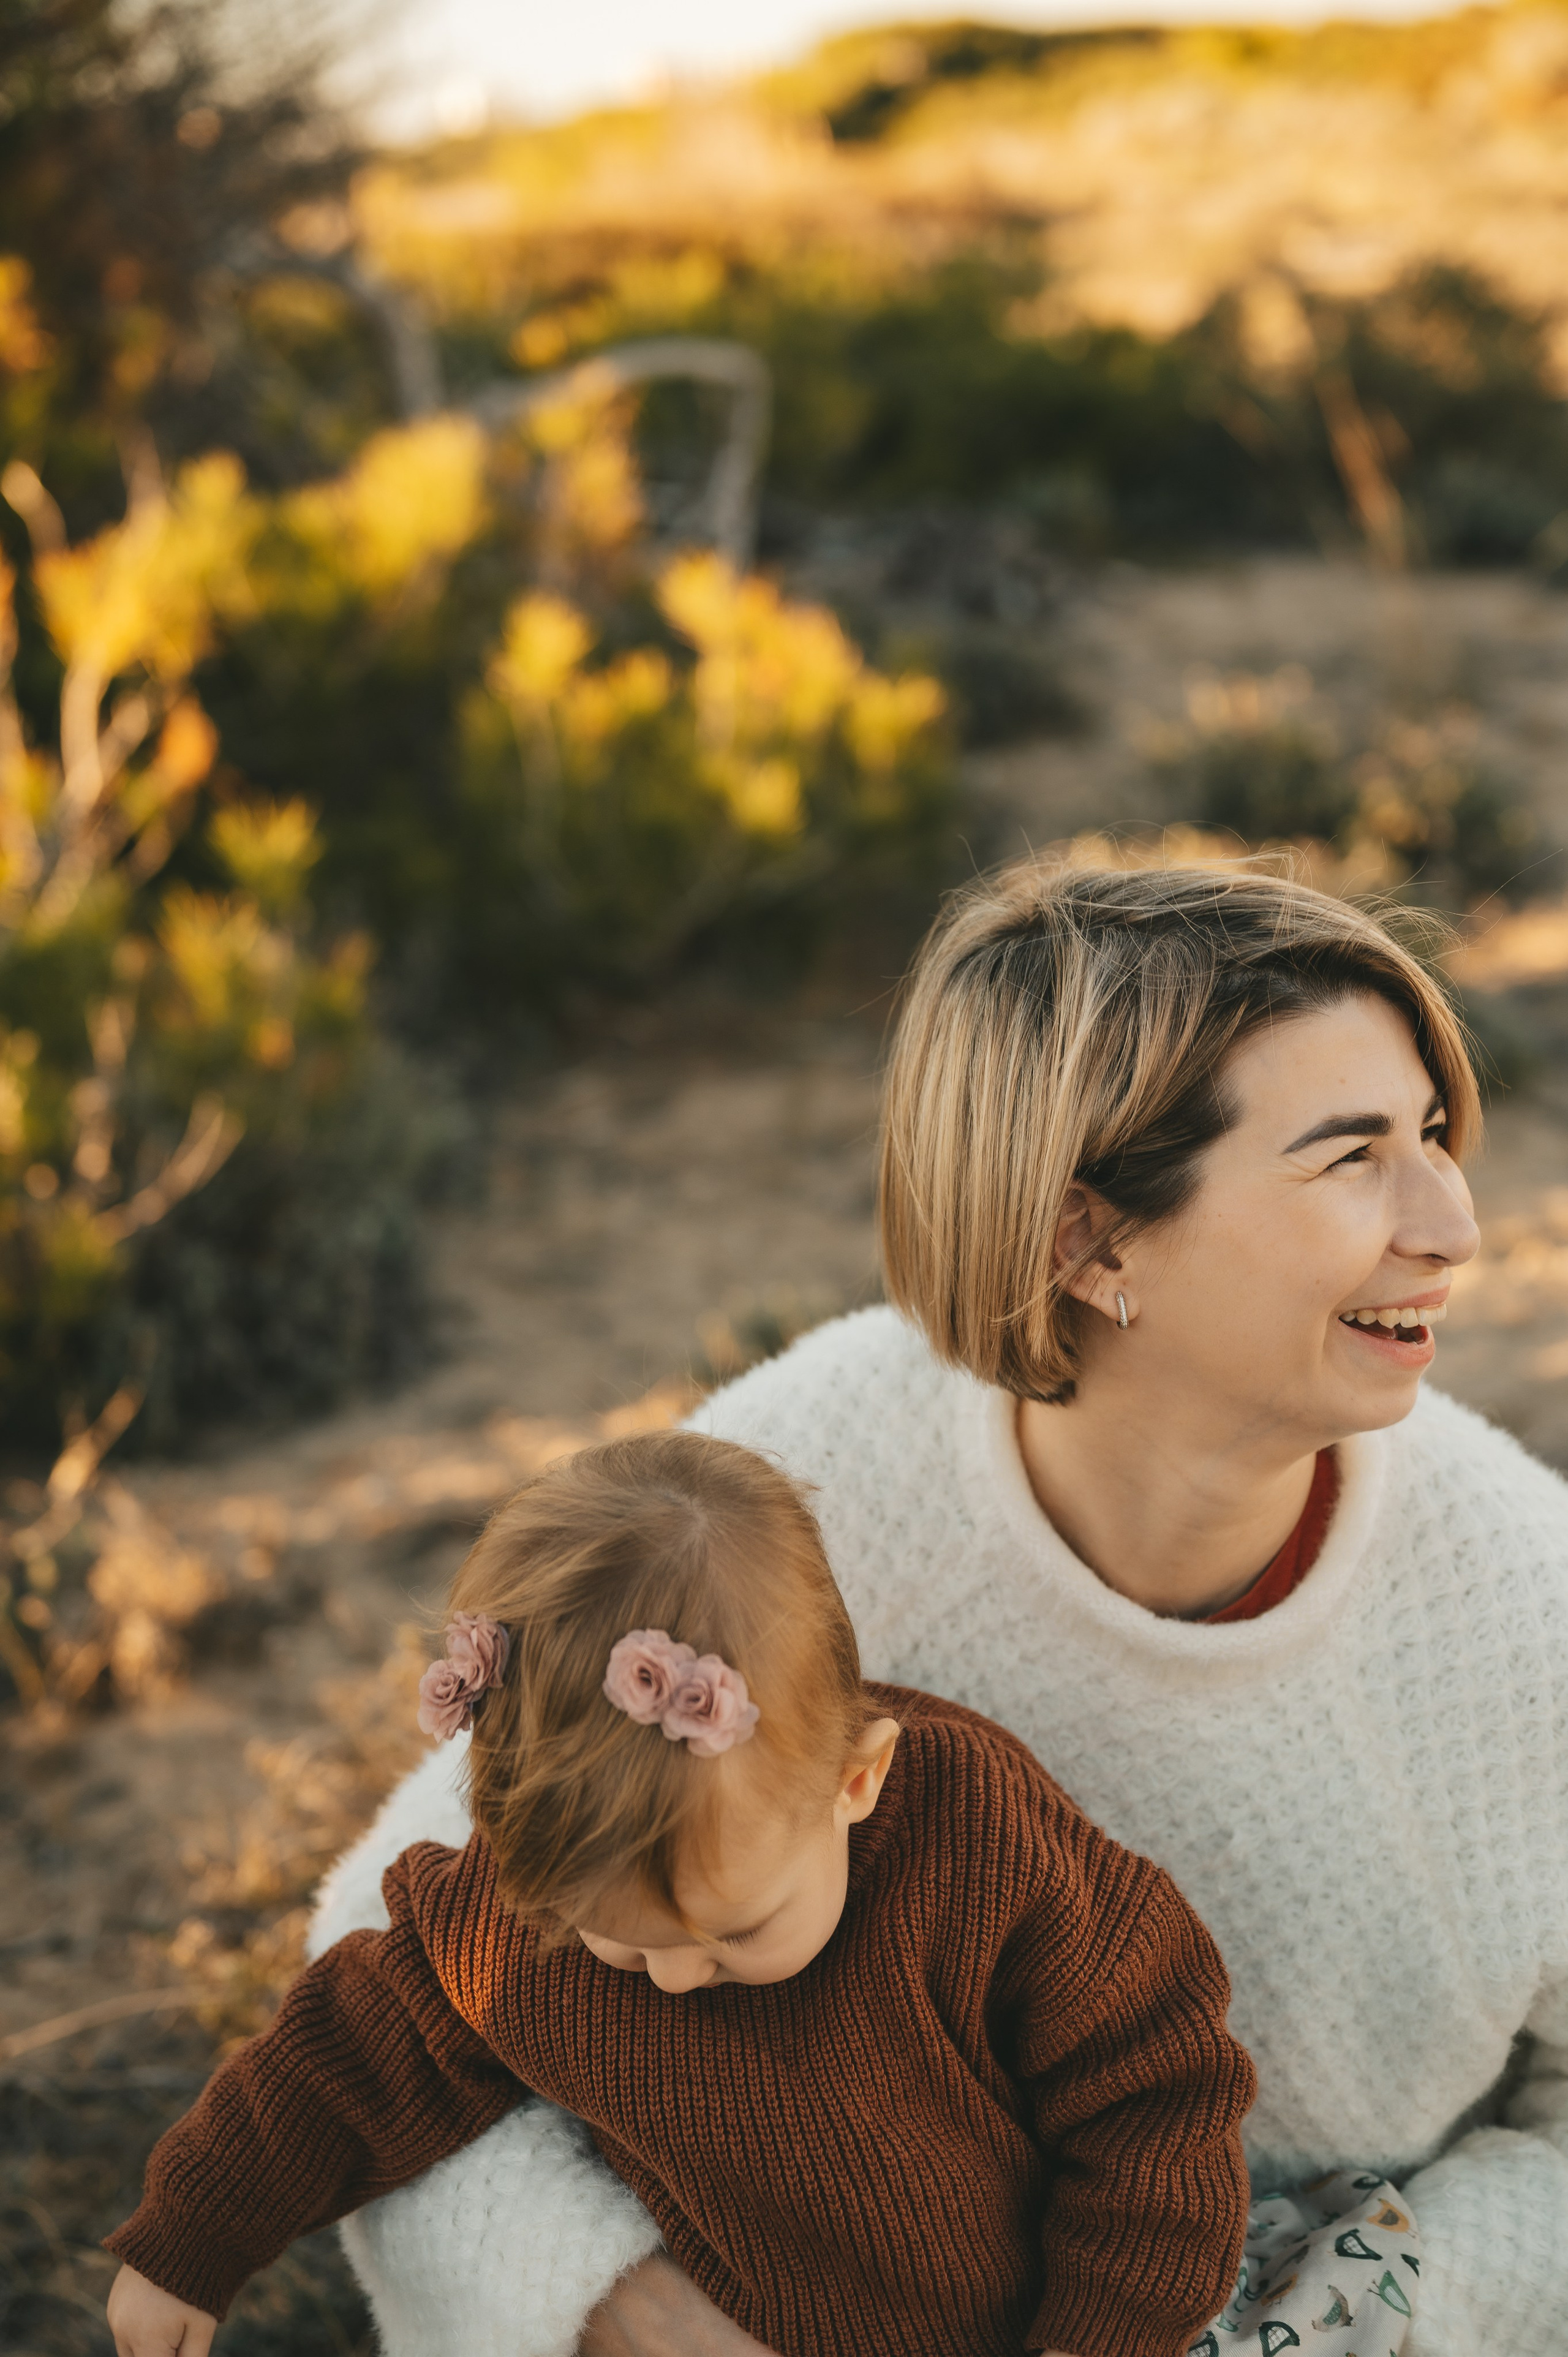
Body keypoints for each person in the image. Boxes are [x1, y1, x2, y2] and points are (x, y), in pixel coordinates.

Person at [307, 859, 1567, 2357]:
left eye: (1432, 1135)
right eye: (1349, 1156)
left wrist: (1388, 2325)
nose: (1451, 1224)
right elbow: (384, 1954)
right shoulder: (794, 1491)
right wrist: (614, 2308)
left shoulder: (1524, 1608)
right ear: (1083, 1243)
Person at [104, 1431, 1258, 2357]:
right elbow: (353, 2057)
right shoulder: (537, 1910)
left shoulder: (981, 1853)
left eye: (734, 1932)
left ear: (856, 1781)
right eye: (620, 1942)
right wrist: (193, 2236)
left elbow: (1154, 2100)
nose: (672, 1976)